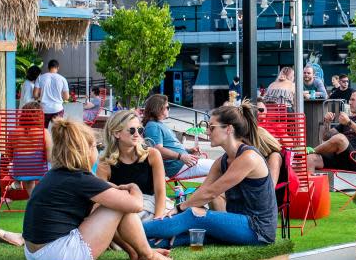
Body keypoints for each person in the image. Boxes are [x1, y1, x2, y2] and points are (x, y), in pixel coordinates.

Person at [18, 119, 172, 260]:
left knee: (115, 203)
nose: (97, 152)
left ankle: (136, 252)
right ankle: (147, 254)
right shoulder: (81, 179)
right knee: (119, 205)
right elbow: (136, 205)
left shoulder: (56, 175)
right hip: (57, 255)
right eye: (96, 147)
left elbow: (108, 199)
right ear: (85, 151)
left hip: (34, 254)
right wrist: (134, 188)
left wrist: (118, 190)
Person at [142, 102, 277, 247]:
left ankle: (130, 230)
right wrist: (180, 211)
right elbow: (203, 191)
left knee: (194, 214)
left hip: (258, 230)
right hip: (238, 223)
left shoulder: (248, 157)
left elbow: (211, 193)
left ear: (229, 129)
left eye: (211, 127)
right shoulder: (221, 162)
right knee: (176, 236)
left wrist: (180, 208)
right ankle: (134, 240)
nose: (207, 132)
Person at [97, 109, 168, 221]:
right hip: (119, 209)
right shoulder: (106, 164)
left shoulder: (152, 155)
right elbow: (99, 197)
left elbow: (160, 192)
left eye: (139, 130)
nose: (137, 134)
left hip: (148, 208)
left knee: (128, 218)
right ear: (116, 133)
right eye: (131, 130)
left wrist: (158, 220)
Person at [142, 94, 214, 180]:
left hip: (183, 164)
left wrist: (189, 151)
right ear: (159, 108)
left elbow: (170, 147)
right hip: (178, 167)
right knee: (220, 166)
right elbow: (157, 150)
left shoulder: (158, 125)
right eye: (167, 107)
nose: (169, 109)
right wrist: (181, 156)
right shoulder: (153, 126)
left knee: (220, 167)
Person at [308, 90, 356, 172]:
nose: (349, 102)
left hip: (355, 161)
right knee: (310, 159)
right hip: (339, 157)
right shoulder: (350, 119)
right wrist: (327, 123)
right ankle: (309, 184)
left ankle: (310, 151)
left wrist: (349, 123)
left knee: (340, 138)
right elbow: (326, 137)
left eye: (353, 100)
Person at [34, 60, 70, 127]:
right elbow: (66, 97)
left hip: (44, 109)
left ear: (48, 67)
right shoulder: (62, 79)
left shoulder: (40, 78)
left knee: (43, 131)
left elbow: (35, 95)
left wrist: (40, 96)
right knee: (58, 131)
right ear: (58, 67)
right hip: (58, 109)